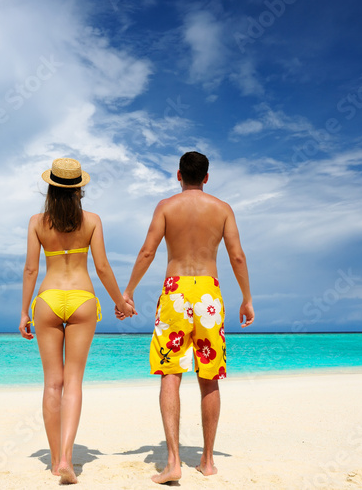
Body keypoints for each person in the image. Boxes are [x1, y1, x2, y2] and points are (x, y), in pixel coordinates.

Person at [118, 151, 254, 484]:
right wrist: (247, 298)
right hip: (208, 291)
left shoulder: (166, 207)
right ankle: (207, 461)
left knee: (170, 373)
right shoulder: (222, 209)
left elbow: (148, 251)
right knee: (209, 377)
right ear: (206, 177)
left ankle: (174, 461)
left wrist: (128, 291)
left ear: (178, 175)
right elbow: (236, 256)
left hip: (176, 291)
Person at [19, 158, 135, 484]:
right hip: (83, 299)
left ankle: (56, 461)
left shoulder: (36, 222)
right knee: (73, 382)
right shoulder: (93, 220)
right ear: (79, 187)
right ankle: (69, 458)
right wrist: (121, 302)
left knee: (52, 382)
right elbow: (102, 267)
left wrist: (24, 311)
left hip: (48, 300)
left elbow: (30, 269)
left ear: (51, 187)